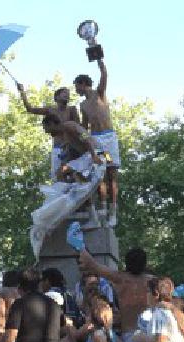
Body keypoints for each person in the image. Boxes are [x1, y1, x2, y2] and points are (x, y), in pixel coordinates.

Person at [73, 58, 119, 226]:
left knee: (112, 175)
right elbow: (84, 127)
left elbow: (104, 73)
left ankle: (114, 211)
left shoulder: (100, 93)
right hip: (96, 140)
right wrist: (79, 139)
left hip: (109, 138)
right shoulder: (83, 104)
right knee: (99, 176)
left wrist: (97, 55)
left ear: (83, 84)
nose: (75, 89)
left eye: (76, 86)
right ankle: (103, 209)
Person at [17, 84, 81, 180]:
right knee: (57, 178)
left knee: (73, 175)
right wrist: (22, 92)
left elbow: (79, 128)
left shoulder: (72, 110)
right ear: (56, 97)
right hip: (56, 148)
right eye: (64, 93)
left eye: (68, 94)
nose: (67, 95)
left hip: (70, 148)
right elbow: (30, 109)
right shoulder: (50, 110)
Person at [41, 113, 104, 183]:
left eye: (45, 128)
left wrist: (94, 155)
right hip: (85, 157)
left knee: (63, 172)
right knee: (60, 173)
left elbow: (86, 137)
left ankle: (81, 179)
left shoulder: (70, 126)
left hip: (95, 153)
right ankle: (72, 187)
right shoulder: (63, 134)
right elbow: (72, 150)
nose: (46, 131)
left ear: (51, 124)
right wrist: (64, 163)